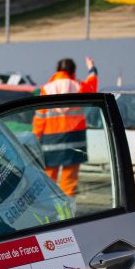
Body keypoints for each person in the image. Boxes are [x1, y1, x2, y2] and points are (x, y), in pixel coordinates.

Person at [33, 57, 98, 197]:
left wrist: (34, 138)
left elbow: (40, 118)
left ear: (57, 70)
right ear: (73, 71)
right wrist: (92, 69)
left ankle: (50, 212)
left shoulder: (46, 89)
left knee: (49, 181)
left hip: (51, 142)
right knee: (69, 182)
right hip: (74, 141)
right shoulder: (79, 86)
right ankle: (67, 214)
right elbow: (92, 86)